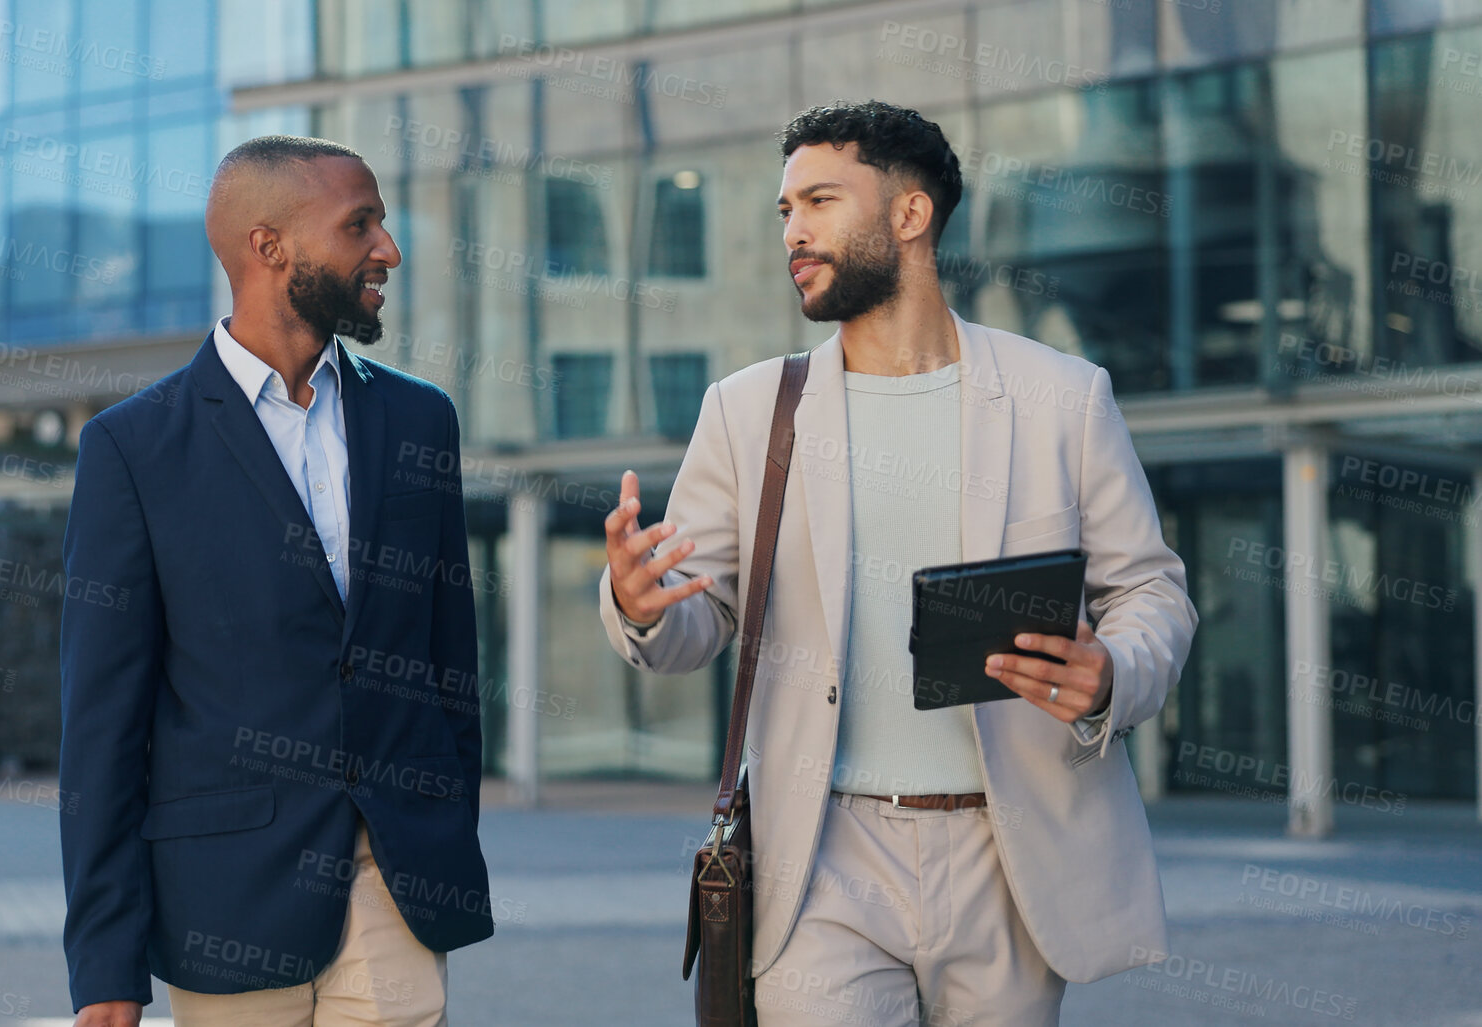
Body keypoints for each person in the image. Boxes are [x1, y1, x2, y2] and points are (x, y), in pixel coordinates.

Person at [600, 101, 1197, 1025]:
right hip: (824, 854)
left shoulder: (1061, 398)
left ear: (909, 216)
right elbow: (696, 620)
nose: (794, 231)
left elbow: (1150, 589)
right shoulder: (749, 409)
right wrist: (641, 606)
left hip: (1012, 850)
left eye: (820, 201)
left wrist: (1113, 670)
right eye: (784, 209)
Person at [59, 134, 491, 1027]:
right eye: (359, 224)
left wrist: (442, 826)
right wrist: (105, 960)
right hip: (225, 903)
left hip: (395, 885)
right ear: (270, 247)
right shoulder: (133, 449)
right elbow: (101, 721)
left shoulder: (419, 418)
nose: (388, 250)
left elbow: (452, 663)